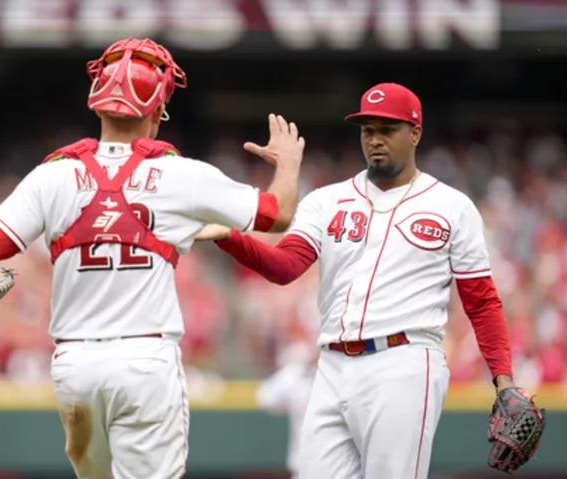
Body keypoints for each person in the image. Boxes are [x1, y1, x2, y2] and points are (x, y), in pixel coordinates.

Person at [0, 37, 305, 479]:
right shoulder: (180, 175)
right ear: (157, 112)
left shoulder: (52, 174)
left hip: (75, 368)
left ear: (98, 105)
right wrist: (287, 162)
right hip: (144, 362)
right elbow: (277, 215)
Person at [196, 83, 531, 478]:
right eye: (367, 129)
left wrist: (504, 381)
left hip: (404, 362)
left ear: (415, 133)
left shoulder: (453, 207)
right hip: (333, 364)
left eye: (387, 129)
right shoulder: (327, 200)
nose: (375, 139)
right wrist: (231, 238)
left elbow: (481, 302)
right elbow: (286, 267)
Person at [255, 342, 317, 479]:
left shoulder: (342, 373)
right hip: (303, 468)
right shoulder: (298, 375)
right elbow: (264, 397)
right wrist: (297, 370)